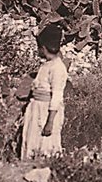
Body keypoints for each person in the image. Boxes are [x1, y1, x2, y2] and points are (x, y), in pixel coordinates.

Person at [21, 24, 68, 160]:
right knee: (31, 140)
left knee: (45, 144)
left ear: (43, 48)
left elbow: (57, 96)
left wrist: (50, 121)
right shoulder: (46, 65)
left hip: (46, 110)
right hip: (36, 107)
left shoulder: (57, 68)